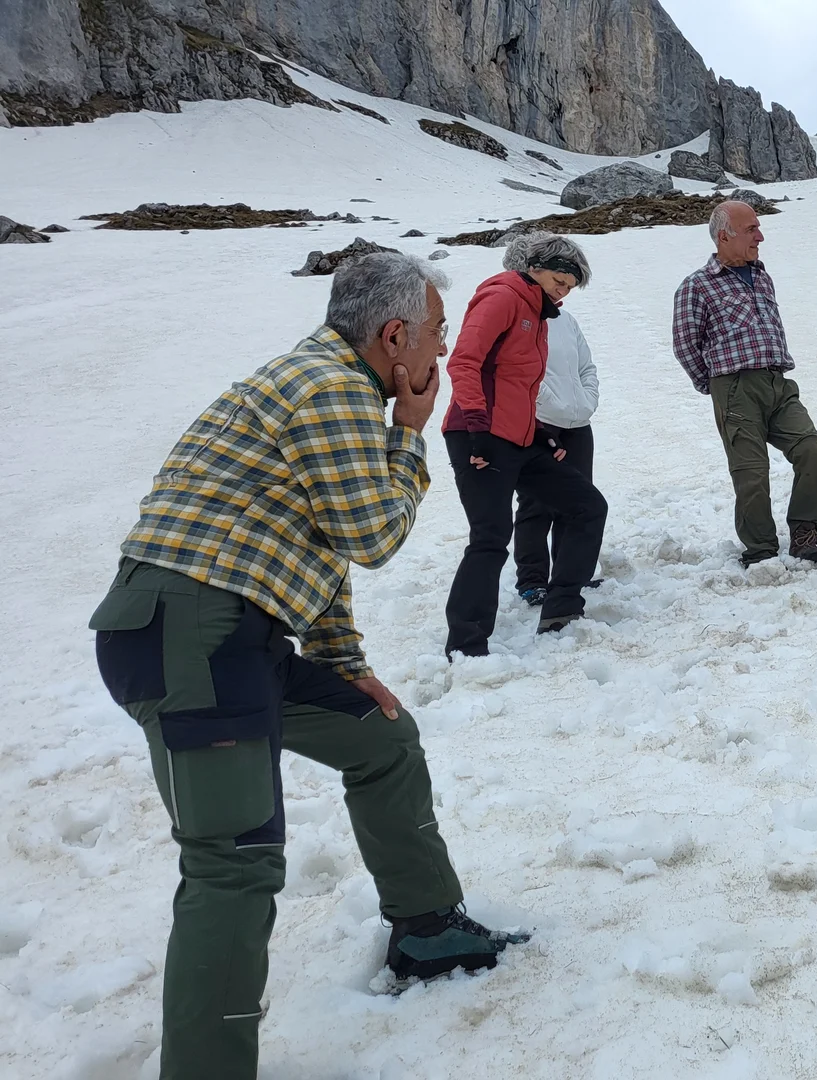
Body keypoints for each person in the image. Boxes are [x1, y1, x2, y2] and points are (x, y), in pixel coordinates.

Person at [88, 253, 527, 1079]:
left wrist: (345, 665)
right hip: (192, 637)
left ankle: (429, 929)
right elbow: (372, 537)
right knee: (234, 863)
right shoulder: (330, 390)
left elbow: (315, 547)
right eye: (438, 328)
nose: (445, 345)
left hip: (231, 637)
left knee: (381, 738)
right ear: (395, 337)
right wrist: (410, 432)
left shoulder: (330, 382)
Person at [442, 233, 608, 655]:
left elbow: (517, 384)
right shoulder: (503, 296)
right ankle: (466, 644)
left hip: (518, 436)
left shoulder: (540, 313)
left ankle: (562, 608)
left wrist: (539, 432)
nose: (563, 290)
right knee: (491, 535)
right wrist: (478, 428)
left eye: (570, 286)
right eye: (559, 279)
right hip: (478, 436)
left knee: (586, 505)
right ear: (535, 267)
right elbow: (464, 361)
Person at [672, 200, 817, 565]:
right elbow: (684, 344)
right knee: (751, 470)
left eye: (758, 228)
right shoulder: (697, 286)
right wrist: (715, 385)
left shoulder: (762, 276)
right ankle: (760, 549)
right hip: (735, 387)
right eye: (751, 230)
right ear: (724, 236)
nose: (760, 236)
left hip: (779, 382)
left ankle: (805, 533)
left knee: (811, 450)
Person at [510, 237, 602, 605]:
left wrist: (586, 400)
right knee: (536, 505)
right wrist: (546, 405)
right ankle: (532, 579)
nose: (561, 290)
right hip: (539, 422)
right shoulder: (518, 316)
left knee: (578, 501)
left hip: (578, 423)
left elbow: (586, 366)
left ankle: (570, 573)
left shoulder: (566, 319)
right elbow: (522, 374)